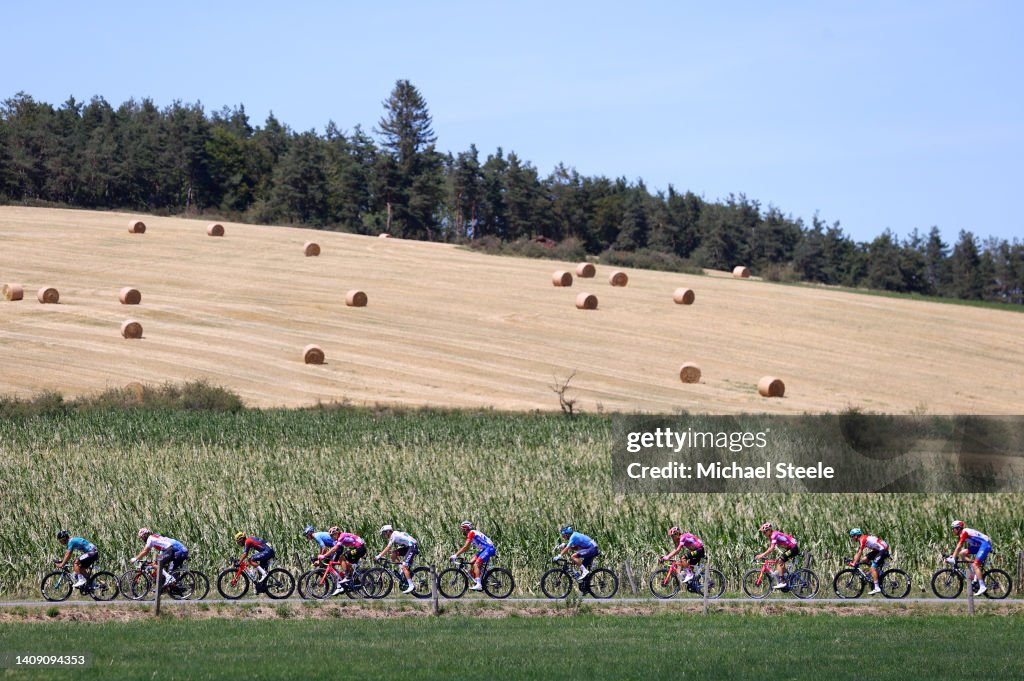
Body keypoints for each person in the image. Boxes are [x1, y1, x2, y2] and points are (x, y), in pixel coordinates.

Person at [948, 520, 991, 596]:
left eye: (953, 528)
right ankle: (974, 571)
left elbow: (959, 545)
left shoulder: (964, 532)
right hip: (979, 546)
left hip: (985, 545)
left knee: (975, 565)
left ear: (958, 528)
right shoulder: (962, 534)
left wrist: (953, 557)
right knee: (962, 553)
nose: (952, 530)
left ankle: (982, 586)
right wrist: (953, 556)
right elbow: (958, 548)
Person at [450, 521, 496, 592]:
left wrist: (455, 555)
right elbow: (467, 547)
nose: (461, 530)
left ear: (466, 528)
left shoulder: (471, 533)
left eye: (462, 529)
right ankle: (482, 579)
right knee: (472, 562)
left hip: (489, 548)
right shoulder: (471, 533)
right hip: (485, 549)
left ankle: (479, 584)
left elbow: (465, 547)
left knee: (476, 564)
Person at [322, 526, 367, 595]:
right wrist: (329, 556)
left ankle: (348, 576)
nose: (332, 537)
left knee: (342, 558)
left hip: (360, 548)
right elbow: (335, 549)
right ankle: (355, 579)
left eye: (332, 535)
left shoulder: (341, 537)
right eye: (331, 536)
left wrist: (324, 555)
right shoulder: (339, 538)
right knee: (347, 563)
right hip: (359, 548)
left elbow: (334, 548)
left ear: (337, 533)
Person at [375, 525, 419, 594]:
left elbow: (388, 548)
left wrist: (378, 556)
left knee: (404, 566)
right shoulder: (395, 534)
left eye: (384, 533)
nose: (384, 535)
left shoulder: (394, 536)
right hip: (408, 547)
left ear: (388, 532)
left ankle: (411, 586)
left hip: (412, 547)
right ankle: (401, 569)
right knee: (393, 555)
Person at [754, 522, 799, 589]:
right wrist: (763, 554)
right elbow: (770, 548)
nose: (764, 534)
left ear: (769, 530)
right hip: (790, 548)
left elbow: (771, 549)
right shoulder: (771, 536)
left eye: (764, 532)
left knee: (780, 560)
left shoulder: (774, 535)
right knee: (778, 561)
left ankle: (782, 582)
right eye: (763, 532)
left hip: (793, 548)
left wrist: (761, 555)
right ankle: (785, 576)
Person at [847, 528, 889, 595]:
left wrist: (854, 563)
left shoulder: (862, 539)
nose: (851, 538)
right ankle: (876, 572)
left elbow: (860, 552)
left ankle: (877, 588)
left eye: (852, 536)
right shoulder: (862, 539)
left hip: (883, 550)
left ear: (856, 536)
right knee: (864, 559)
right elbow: (858, 552)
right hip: (879, 550)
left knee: (873, 568)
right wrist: (854, 561)